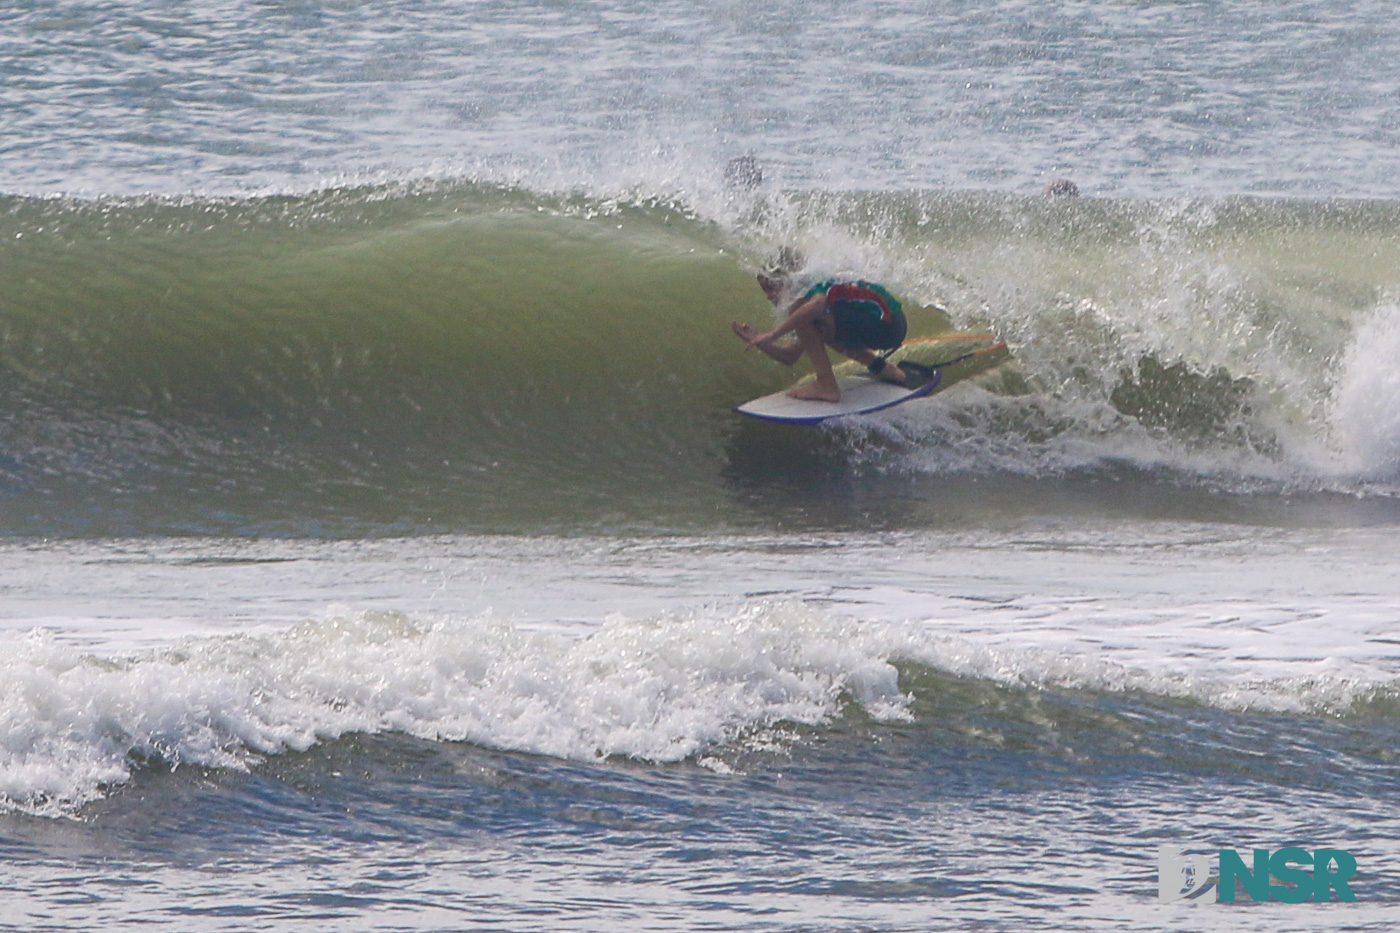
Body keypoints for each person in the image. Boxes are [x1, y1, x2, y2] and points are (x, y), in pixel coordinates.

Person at [731, 257, 913, 403]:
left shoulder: (813, 286)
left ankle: (827, 386)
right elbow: (791, 355)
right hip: (882, 328)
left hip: (889, 324)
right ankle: (883, 368)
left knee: (803, 314)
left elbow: (817, 305)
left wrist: (773, 335)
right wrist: (758, 341)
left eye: (772, 288)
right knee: (818, 327)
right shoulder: (808, 306)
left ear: (788, 277)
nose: (769, 296)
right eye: (765, 291)